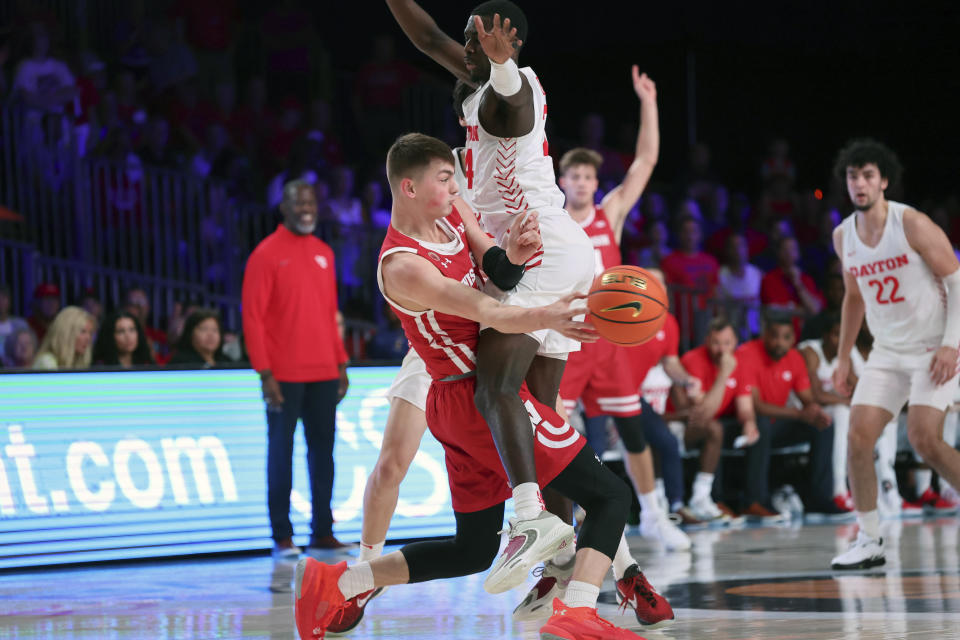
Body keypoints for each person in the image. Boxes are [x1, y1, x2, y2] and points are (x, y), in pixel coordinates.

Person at [295, 133, 659, 640]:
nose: (455, 186)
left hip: (463, 402)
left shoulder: (450, 220)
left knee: (471, 550)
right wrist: (549, 314)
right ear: (409, 187)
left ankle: (340, 580)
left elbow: (500, 275)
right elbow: (488, 310)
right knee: (611, 497)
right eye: (444, 179)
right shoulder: (403, 265)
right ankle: (576, 609)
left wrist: (514, 250)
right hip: (479, 396)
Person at [386, 0, 596, 582]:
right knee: (539, 416)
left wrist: (504, 67)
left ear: (509, 45)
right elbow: (427, 38)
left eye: (477, 40)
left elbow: (513, 96)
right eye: (470, 40)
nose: (467, 47)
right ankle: (565, 565)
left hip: (540, 252)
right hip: (546, 250)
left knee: (494, 389)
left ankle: (528, 515)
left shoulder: (513, 85)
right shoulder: (481, 81)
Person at [829, 139, 960, 570]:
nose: (860, 183)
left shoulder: (912, 224)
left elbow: (957, 282)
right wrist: (844, 357)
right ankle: (869, 540)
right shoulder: (843, 235)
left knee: (925, 440)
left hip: (933, 348)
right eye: (853, 176)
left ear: (883, 181)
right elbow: (852, 298)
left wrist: (951, 344)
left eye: (868, 175)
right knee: (857, 437)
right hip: (887, 350)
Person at [242, 179, 352, 557]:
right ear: (283, 208)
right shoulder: (265, 254)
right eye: (298, 202)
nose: (306, 208)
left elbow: (328, 312)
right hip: (283, 374)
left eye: (310, 202)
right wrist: (264, 372)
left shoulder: (324, 252)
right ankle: (282, 537)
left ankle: (323, 531)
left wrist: (341, 362)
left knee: (324, 453)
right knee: (281, 453)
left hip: (323, 370)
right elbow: (252, 318)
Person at [736, 310, 841, 520]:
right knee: (762, 424)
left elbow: (807, 398)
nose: (779, 343)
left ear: (793, 338)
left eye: (786, 338)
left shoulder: (794, 357)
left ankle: (819, 499)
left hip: (778, 424)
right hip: (743, 423)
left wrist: (814, 411)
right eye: (774, 336)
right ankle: (756, 501)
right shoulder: (747, 353)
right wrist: (799, 413)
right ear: (764, 334)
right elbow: (756, 406)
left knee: (824, 425)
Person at [671, 315, 758, 523]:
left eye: (726, 343)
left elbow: (745, 406)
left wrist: (749, 424)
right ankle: (701, 499)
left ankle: (751, 501)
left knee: (749, 429)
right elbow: (702, 413)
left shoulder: (740, 363)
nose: (721, 349)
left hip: (702, 424)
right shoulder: (694, 359)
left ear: (736, 342)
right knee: (714, 428)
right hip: (676, 423)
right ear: (707, 341)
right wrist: (725, 373)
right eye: (716, 343)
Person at [32, 306, 96, 370]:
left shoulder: (77, 362)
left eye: (90, 333)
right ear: (67, 333)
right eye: (83, 331)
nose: (88, 338)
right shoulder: (47, 363)